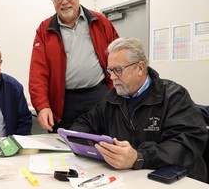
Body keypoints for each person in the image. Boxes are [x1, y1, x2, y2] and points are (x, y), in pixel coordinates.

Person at [70, 37, 208, 183]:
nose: (112, 77)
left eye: (118, 70)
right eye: (110, 70)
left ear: (140, 68)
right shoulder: (112, 98)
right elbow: (88, 121)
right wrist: (74, 139)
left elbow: (186, 143)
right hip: (130, 179)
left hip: (177, 180)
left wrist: (139, 157)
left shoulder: (174, 96)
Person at [29, 0, 119, 133]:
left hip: (98, 95)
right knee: (64, 147)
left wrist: (118, 93)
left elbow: (119, 58)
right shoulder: (44, 29)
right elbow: (38, 74)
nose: (64, 2)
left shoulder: (100, 21)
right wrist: (42, 106)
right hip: (63, 102)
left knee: (102, 143)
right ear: (53, 1)